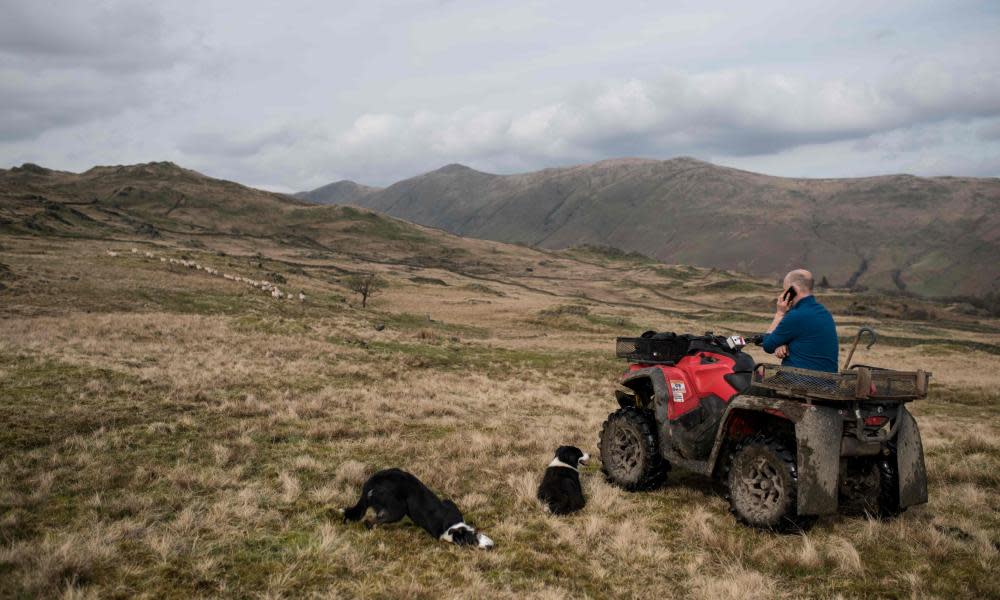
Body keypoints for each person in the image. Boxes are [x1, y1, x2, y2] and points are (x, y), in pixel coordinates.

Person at [761, 269, 839, 373]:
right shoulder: (824, 313)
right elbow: (805, 338)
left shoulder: (796, 315)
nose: (783, 294)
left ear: (793, 290)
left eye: (785, 290)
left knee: (753, 386)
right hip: (827, 381)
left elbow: (768, 346)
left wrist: (779, 314)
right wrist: (782, 344)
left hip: (801, 381)